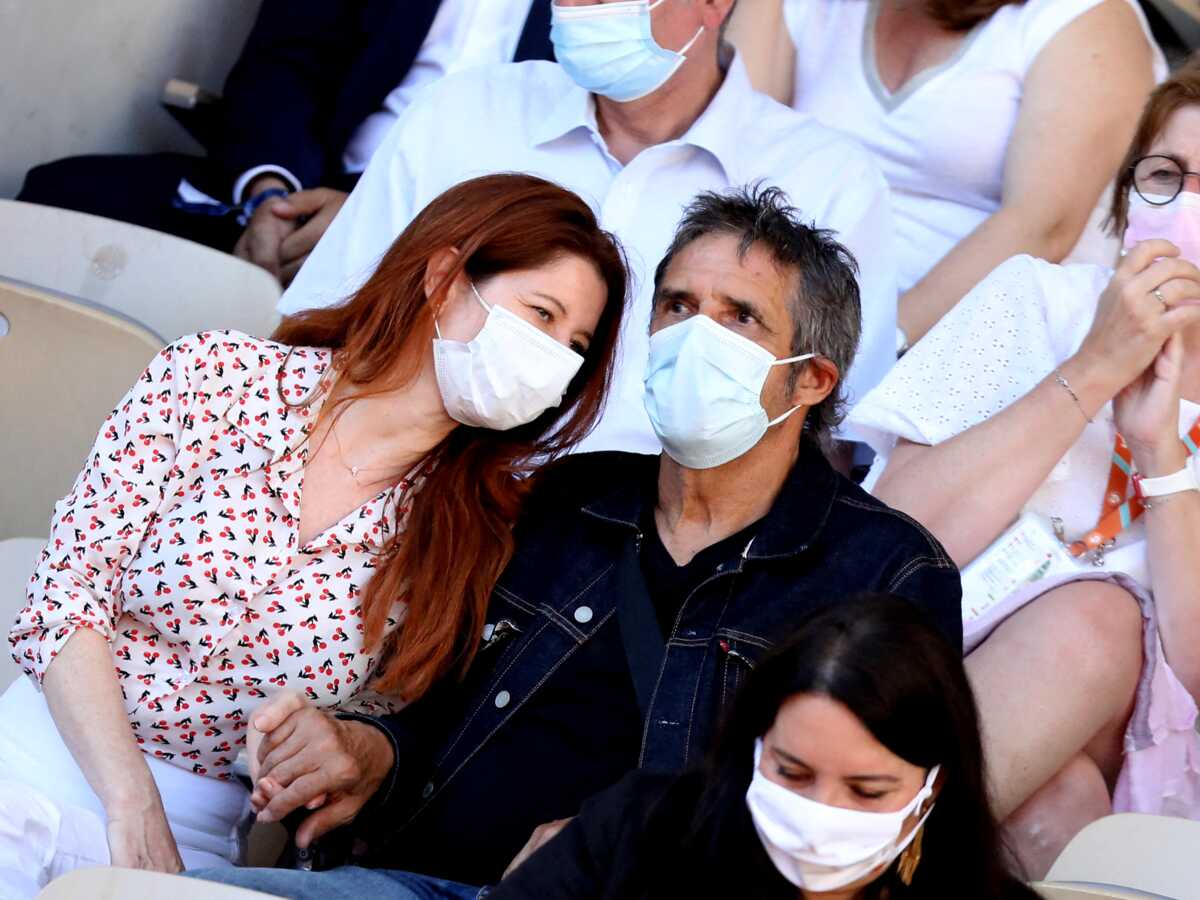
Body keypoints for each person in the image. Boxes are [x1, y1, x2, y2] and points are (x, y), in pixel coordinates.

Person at [187, 186, 962, 900]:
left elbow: (865, 830)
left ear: (812, 380)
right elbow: (427, 695)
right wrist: (366, 750)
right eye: (678, 305)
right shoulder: (562, 495)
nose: (696, 335)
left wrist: (606, 851)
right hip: (412, 881)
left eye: (741, 318)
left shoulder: (886, 573)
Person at [1, 173, 627, 898]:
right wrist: (128, 800)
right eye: (541, 315)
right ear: (444, 278)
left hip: (196, 839)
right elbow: (66, 595)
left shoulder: (475, 537)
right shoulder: (216, 377)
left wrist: (321, 746)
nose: (554, 359)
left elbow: (384, 727)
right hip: (36, 758)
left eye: (575, 344)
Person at [847, 60, 1200, 878]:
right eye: (1164, 177)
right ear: (1123, 199)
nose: (1183, 207)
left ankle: (834, 866)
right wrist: (1095, 372)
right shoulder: (1037, 301)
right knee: (1057, 803)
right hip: (911, 670)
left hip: (1139, 757)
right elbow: (896, 539)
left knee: (1098, 621)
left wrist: (1163, 460)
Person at [278, 0, 899, 455]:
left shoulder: (829, 186)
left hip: (635, 569)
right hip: (402, 502)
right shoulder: (462, 111)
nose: (578, 8)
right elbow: (321, 335)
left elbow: (833, 440)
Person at [489, 595, 1041, 900]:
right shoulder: (642, 832)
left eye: (867, 791)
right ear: (755, 748)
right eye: (792, 773)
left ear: (932, 787)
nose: (821, 812)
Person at [15, 0, 554, 285]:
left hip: (460, 228)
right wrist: (271, 194)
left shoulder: (613, 16)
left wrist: (384, 223)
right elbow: (285, 61)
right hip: (308, 183)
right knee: (62, 196)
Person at [729, 0, 1164, 349]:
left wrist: (863, 350)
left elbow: (1043, 226)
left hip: (974, 356)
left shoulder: (1087, 17)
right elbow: (740, 148)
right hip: (790, 328)